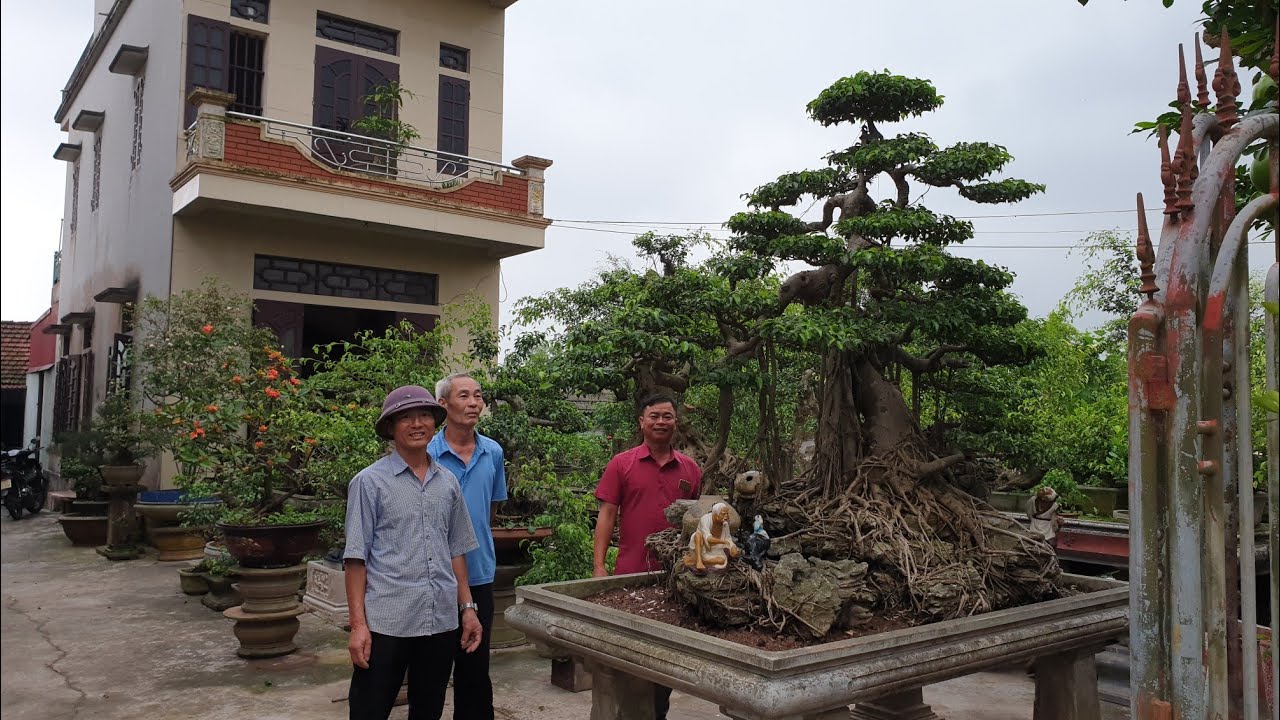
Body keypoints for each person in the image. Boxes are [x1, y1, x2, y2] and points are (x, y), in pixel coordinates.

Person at [344, 385, 483, 720]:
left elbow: (456, 549)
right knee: (369, 709)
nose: (416, 423)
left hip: (439, 620)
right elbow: (355, 559)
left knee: (429, 708)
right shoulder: (369, 483)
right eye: (405, 417)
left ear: (435, 422)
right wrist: (358, 626)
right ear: (391, 428)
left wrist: (467, 609)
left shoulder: (447, 482)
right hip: (388, 620)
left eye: (423, 415)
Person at [593, 394, 702, 719]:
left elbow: (698, 522)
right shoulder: (622, 464)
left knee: (663, 670)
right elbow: (607, 515)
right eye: (654, 416)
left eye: (667, 416)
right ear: (641, 422)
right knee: (626, 662)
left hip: (675, 580)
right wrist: (599, 567)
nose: (660, 422)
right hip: (630, 575)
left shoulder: (690, 469)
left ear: (675, 422)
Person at [429, 372, 507, 720]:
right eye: (464, 396)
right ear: (443, 404)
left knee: (475, 666)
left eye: (478, 395)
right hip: (432, 576)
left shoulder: (493, 452)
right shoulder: (425, 452)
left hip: (478, 573)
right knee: (430, 667)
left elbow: (489, 510)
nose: (474, 403)